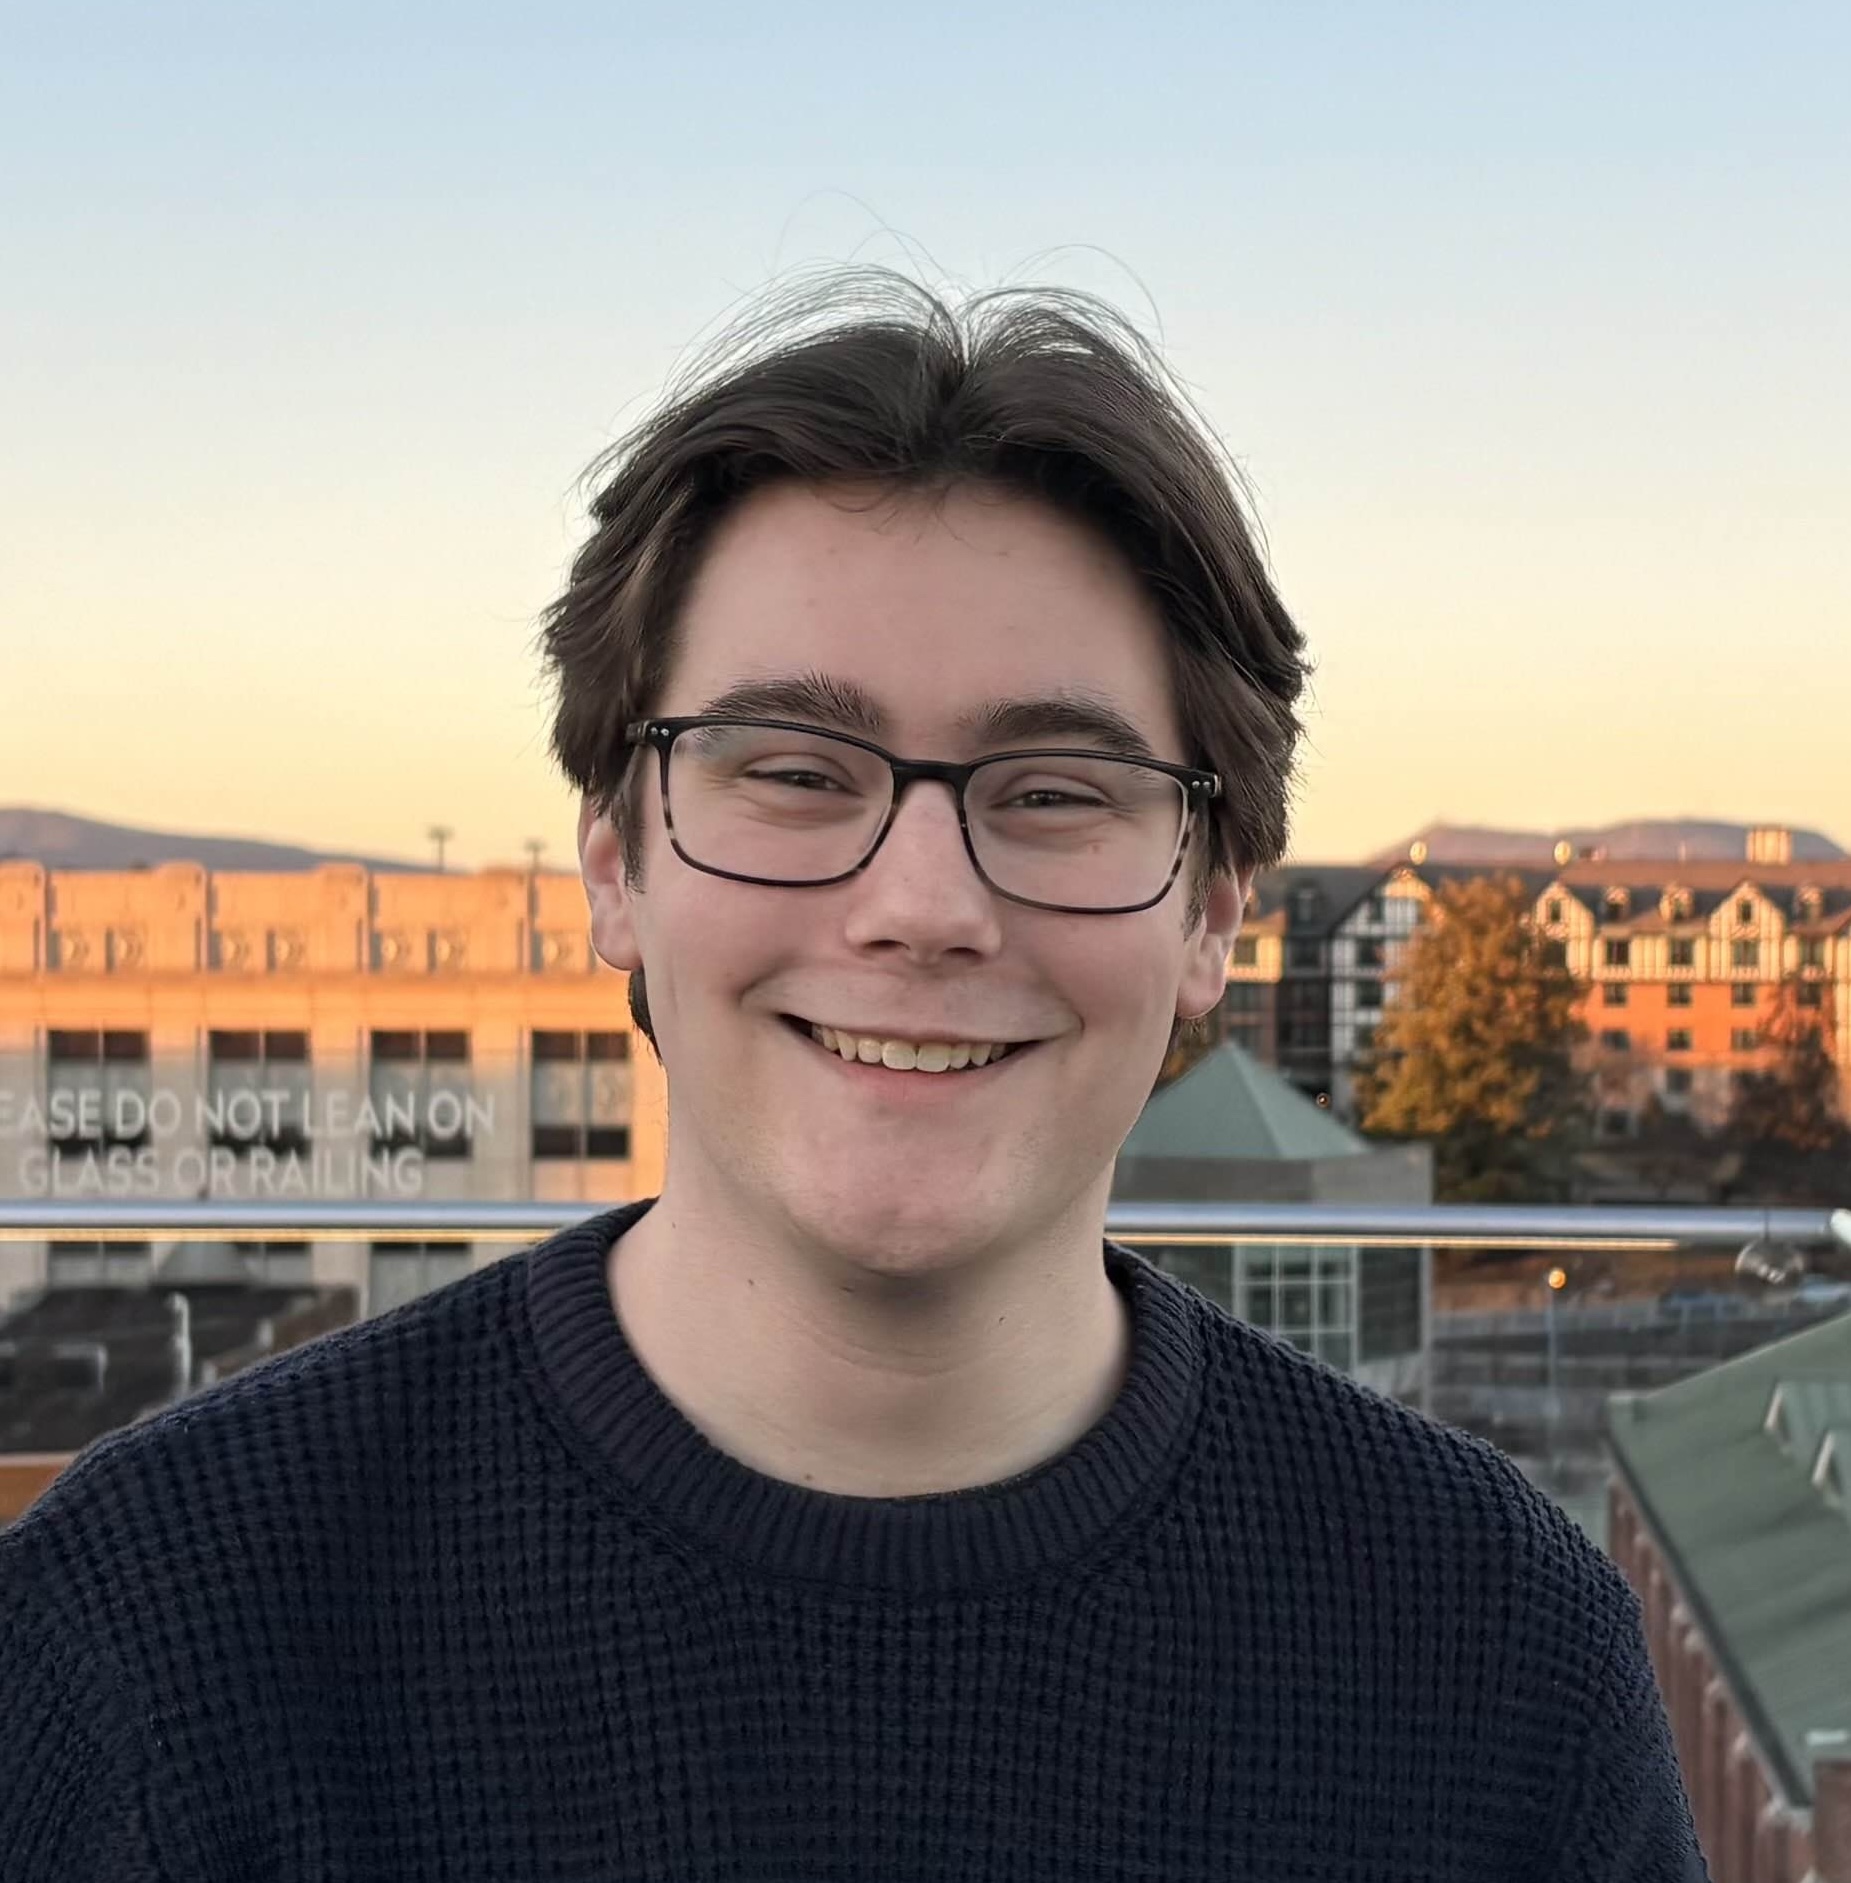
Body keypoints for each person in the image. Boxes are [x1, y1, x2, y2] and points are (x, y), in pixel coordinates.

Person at [0, 271, 1709, 1881]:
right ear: (614, 860)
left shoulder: (1494, 1653)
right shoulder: (157, 1632)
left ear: (1213, 917)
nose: (922, 906)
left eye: (1052, 792)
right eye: (796, 773)